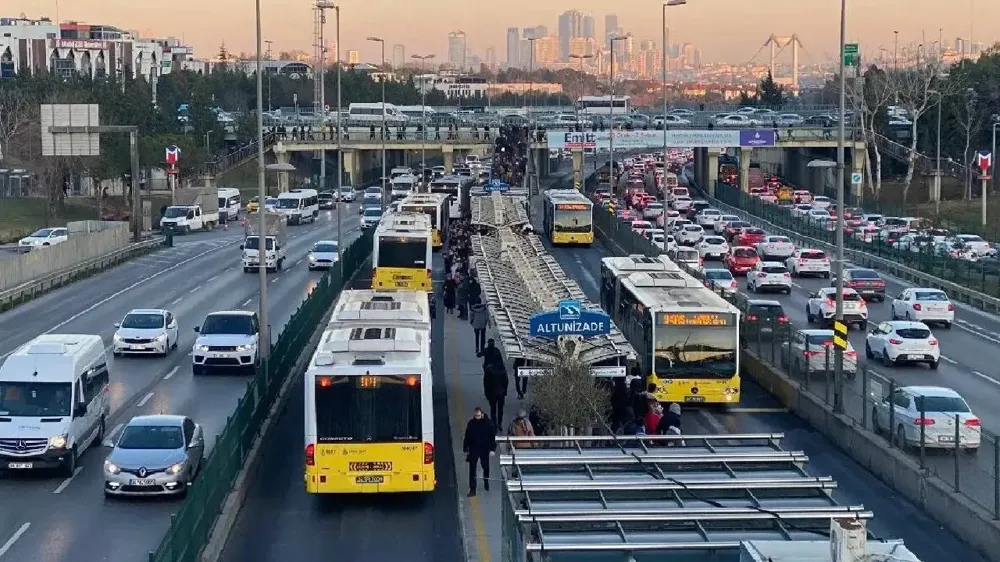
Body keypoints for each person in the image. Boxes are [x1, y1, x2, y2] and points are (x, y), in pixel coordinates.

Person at [462, 407, 496, 497]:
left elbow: (492, 437)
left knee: (485, 466)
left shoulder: (488, 423)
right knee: (472, 469)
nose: (477, 417)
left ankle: (486, 481)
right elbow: (467, 436)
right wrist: (465, 448)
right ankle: (472, 489)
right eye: (475, 416)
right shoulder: (471, 423)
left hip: (484, 449)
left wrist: (492, 449)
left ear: (482, 414)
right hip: (474, 448)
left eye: (478, 415)